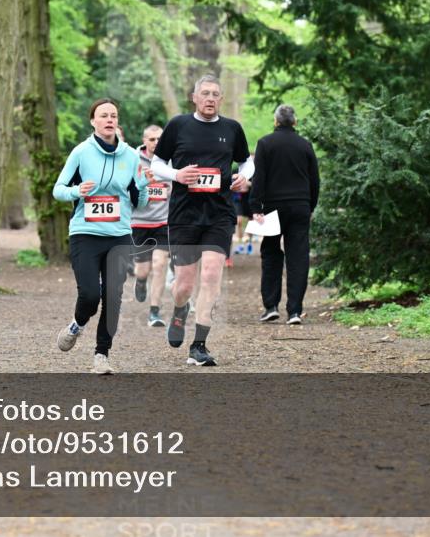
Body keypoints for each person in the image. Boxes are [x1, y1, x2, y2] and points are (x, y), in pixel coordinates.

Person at [151, 74, 253, 366]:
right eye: (205, 93)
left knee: (210, 275)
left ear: (221, 99)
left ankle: (199, 345)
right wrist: (177, 175)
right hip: (184, 215)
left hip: (219, 214)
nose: (210, 98)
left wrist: (244, 176)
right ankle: (180, 310)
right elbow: (157, 164)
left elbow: (247, 160)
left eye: (215, 94)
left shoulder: (232, 129)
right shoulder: (178, 125)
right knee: (183, 285)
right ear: (194, 98)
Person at [53, 98, 148, 374]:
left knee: (113, 297)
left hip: (119, 234)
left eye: (113, 115)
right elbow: (58, 189)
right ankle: (76, 325)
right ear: (93, 121)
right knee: (90, 295)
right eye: (103, 115)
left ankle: (101, 355)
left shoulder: (131, 156)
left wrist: (142, 186)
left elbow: (139, 203)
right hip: (85, 233)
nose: (109, 119)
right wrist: (76, 191)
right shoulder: (81, 152)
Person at [249, 104, 319, 325]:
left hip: (272, 207)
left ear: (276, 121)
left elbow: (259, 177)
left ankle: (271, 306)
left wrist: (256, 207)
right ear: (295, 122)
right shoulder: (305, 145)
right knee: (298, 256)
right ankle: (295, 311)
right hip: (300, 205)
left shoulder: (265, 143)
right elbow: (314, 180)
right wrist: (310, 206)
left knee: (270, 252)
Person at [131, 124, 171, 327]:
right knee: (143, 270)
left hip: (163, 221)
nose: (156, 143)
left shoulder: (171, 160)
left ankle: (154, 311)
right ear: (144, 140)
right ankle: (139, 281)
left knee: (160, 264)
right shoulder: (132, 160)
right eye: (152, 139)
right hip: (139, 222)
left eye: (159, 139)